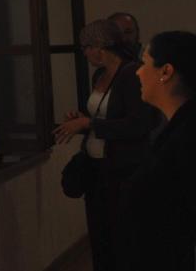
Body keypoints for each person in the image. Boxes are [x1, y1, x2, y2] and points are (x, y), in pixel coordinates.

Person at [53, 19, 159, 271]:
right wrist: (81, 120)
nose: (85, 53)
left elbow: (138, 124)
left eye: (86, 47)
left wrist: (89, 123)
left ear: (100, 47)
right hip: (97, 169)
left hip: (123, 170)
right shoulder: (99, 75)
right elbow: (104, 117)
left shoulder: (131, 74)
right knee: (100, 236)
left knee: (122, 237)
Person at [124, 31, 196, 270]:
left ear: (166, 71)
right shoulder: (175, 127)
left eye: (144, 63)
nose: (138, 72)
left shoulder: (187, 136)